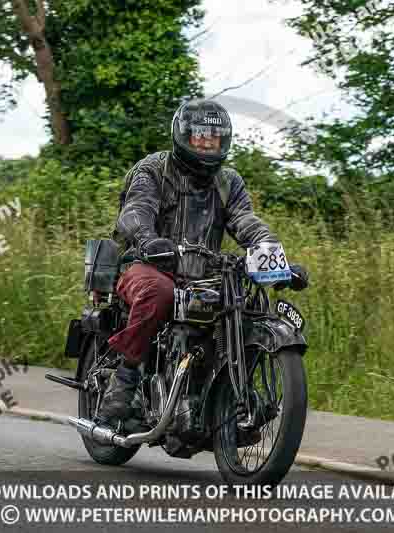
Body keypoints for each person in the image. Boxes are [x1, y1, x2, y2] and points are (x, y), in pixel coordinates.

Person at [97, 99, 308, 429]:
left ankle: (218, 396)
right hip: (148, 267)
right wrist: (149, 240)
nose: (208, 142)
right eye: (200, 135)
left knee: (244, 305)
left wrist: (273, 255)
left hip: (204, 278)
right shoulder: (153, 169)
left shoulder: (228, 181)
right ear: (183, 135)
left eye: (216, 136)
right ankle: (124, 380)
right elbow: (134, 213)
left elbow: (245, 221)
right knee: (158, 292)